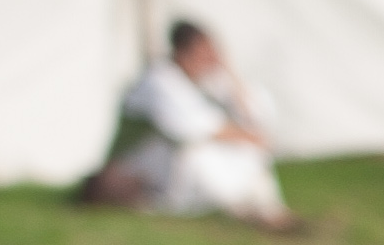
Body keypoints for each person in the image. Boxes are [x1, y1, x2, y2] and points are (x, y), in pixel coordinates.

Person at [86, 22, 290, 227]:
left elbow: (254, 115)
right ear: (182, 52)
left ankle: (263, 209)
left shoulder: (207, 79)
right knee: (198, 154)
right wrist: (251, 137)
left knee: (243, 152)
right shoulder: (158, 80)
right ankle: (245, 208)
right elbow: (193, 128)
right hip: (137, 166)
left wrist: (229, 72)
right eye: (203, 52)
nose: (210, 59)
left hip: (166, 165)